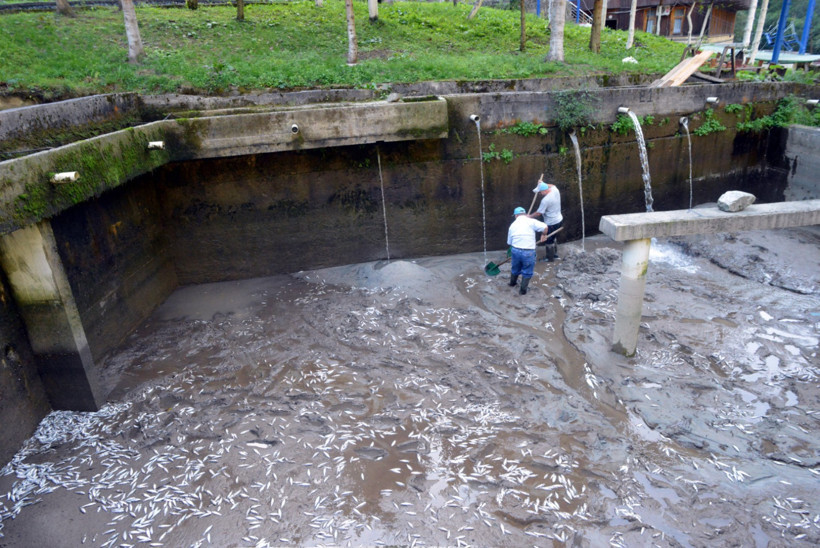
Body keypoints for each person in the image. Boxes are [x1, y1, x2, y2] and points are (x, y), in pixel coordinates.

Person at [507, 206, 548, 295]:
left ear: (516, 216)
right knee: (527, 271)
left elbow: (509, 242)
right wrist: (543, 235)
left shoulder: (512, 225)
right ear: (525, 214)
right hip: (528, 252)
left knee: (515, 268)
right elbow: (545, 227)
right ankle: (522, 291)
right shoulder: (531, 221)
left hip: (515, 250)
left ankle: (512, 283)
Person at [530, 179, 563, 262]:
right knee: (553, 237)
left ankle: (550, 258)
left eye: (540, 192)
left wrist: (529, 216)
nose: (540, 194)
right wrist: (542, 183)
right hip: (559, 220)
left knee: (548, 240)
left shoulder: (545, 200)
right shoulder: (555, 189)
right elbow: (551, 185)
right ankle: (554, 253)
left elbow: (538, 213)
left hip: (550, 223)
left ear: (544, 191)